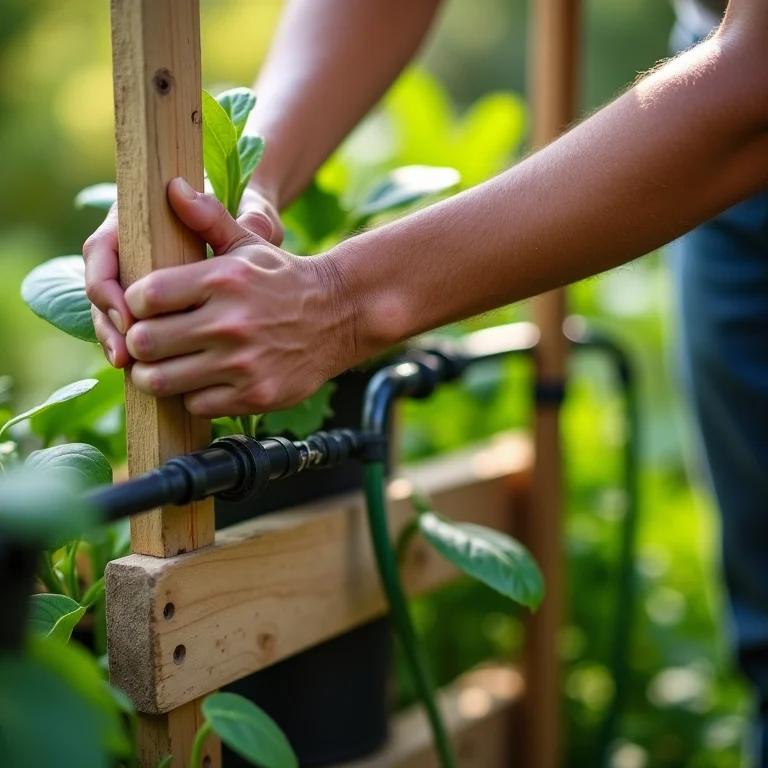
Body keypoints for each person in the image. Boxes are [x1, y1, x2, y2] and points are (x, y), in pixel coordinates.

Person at [82, 0, 768, 760]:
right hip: (713, 69)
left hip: (733, 90)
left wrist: (339, 304)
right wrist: (234, 182)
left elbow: (758, 79)